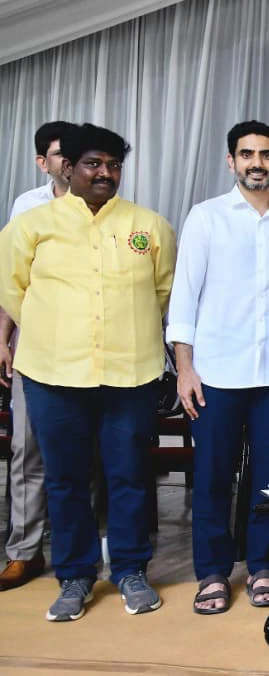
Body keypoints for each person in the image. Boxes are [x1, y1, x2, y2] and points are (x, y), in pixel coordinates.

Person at [0, 123, 175, 620]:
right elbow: (11, 289)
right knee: (65, 479)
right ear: (68, 168)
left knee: (129, 475)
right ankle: (75, 576)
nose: (105, 173)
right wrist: (54, 328)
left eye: (113, 165)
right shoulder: (33, 225)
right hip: (54, 373)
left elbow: (163, 293)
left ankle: (130, 570)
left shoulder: (150, 226)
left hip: (132, 372)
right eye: (93, 164)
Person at [168, 120, 269, 614]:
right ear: (231, 161)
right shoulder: (206, 217)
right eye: (246, 154)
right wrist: (185, 369)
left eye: (264, 155)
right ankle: (212, 573)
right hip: (214, 373)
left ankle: (263, 568)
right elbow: (184, 296)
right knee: (213, 475)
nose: (256, 163)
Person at [0, 119, 75, 591]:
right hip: (33, 347)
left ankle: (78, 551)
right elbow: (12, 280)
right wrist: (4, 340)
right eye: (60, 155)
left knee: (80, 453)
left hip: (87, 348)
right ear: (41, 162)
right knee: (25, 447)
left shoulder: (100, 204)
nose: (69, 164)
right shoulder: (26, 206)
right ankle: (23, 551)